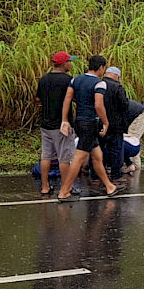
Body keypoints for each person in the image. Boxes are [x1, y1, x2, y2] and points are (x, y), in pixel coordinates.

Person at [57, 55, 125, 202]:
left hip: (80, 121)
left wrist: (64, 120)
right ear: (101, 68)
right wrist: (106, 122)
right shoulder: (99, 84)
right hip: (90, 123)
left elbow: (68, 99)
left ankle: (109, 186)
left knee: (97, 156)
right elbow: (99, 105)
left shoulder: (75, 80)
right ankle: (64, 191)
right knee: (79, 157)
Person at [35, 51, 78, 195]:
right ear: (64, 64)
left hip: (46, 124)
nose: (71, 64)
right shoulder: (69, 80)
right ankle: (67, 187)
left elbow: (38, 99)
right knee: (64, 157)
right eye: (70, 61)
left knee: (46, 155)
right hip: (62, 124)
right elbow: (75, 98)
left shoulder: (44, 79)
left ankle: (45, 186)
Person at [99, 66, 129, 182]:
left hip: (99, 122)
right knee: (116, 150)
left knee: (98, 149)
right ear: (117, 76)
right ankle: (116, 175)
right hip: (115, 124)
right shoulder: (117, 87)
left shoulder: (98, 84)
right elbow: (124, 105)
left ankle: (96, 176)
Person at [122, 99, 144, 173]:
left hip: (141, 115)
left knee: (131, 142)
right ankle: (132, 165)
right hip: (139, 113)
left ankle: (134, 166)